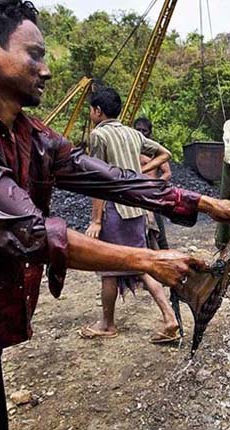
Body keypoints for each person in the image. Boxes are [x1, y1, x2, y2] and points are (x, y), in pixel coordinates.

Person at [0, 1, 230, 429]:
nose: (45, 69)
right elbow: (27, 231)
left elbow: (117, 180)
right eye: (34, 54)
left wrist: (204, 203)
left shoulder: (32, 136)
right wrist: (148, 260)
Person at [81, 89, 179, 343]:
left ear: (98, 111)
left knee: (109, 267)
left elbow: (98, 182)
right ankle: (169, 318)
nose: (91, 114)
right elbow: (165, 154)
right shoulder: (132, 133)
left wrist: (96, 220)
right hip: (137, 209)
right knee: (140, 263)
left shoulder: (99, 135)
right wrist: (139, 171)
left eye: (91, 110)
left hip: (114, 209)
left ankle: (107, 324)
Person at [135, 117, 171, 250]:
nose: (141, 133)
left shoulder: (155, 150)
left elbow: (167, 173)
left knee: (158, 229)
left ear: (149, 133)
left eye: (144, 130)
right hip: (134, 193)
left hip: (151, 194)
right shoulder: (131, 149)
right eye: (138, 130)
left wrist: (155, 185)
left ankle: (164, 253)